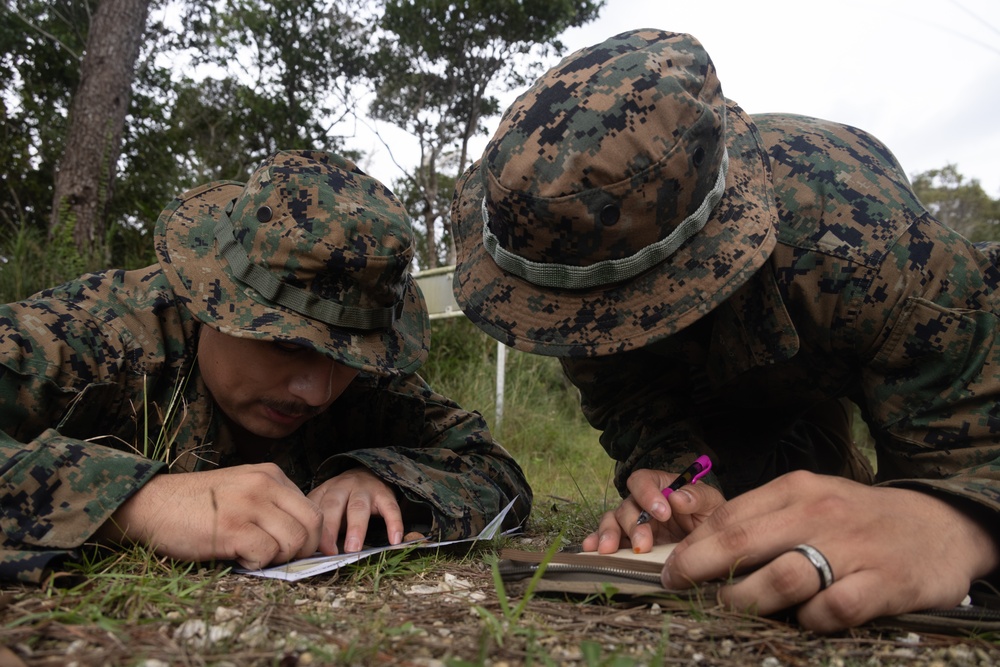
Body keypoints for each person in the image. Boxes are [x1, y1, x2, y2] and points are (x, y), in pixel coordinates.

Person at [450, 29, 1000, 632]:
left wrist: (953, 518)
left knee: (903, 551)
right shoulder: (568, 247)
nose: (593, 331)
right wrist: (673, 473)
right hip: (744, 364)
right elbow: (626, 393)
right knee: (749, 512)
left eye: (624, 303)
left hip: (842, 313)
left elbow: (973, 429)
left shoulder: (873, 253)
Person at [0, 149, 531, 584]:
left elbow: (492, 466)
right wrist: (139, 503)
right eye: (288, 345)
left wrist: (389, 479)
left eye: (346, 356)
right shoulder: (93, 336)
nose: (318, 390)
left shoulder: (361, 378)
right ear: (213, 301)